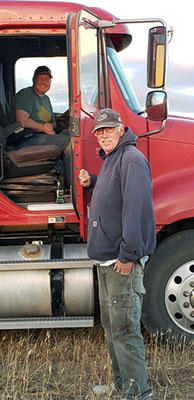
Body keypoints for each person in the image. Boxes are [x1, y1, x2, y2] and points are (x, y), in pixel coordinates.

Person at [79, 108, 156, 400]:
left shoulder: (132, 160)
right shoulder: (113, 159)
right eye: (99, 131)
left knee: (125, 330)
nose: (103, 135)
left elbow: (136, 211)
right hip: (105, 259)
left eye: (108, 129)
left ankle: (139, 393)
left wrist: (128, 255)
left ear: (121, 129)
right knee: (112, 328)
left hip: (120, 261)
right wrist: (94, 182)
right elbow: (116, 193)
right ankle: (122, 385)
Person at [14, 65, 69, 151]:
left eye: (47, 80)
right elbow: (22, 121)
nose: (44, 82)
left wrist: (50, 126)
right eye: (41, 78)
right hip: (27, 138)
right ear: (34, 79)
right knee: (71, 143)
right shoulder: (26, 94)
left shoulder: (46, 99)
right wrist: (44, 128)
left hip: (43, 134)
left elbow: (53, 122)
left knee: (74, 135)